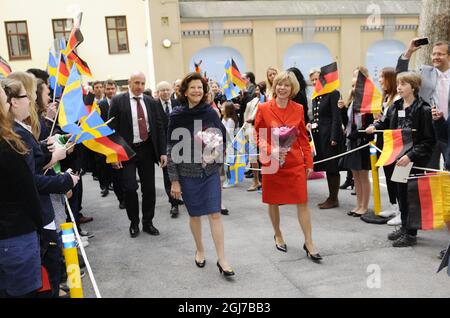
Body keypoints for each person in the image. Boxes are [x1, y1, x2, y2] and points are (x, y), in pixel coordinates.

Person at [167, 72, 235, 276]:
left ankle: (222, 259)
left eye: (200, 87)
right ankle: (200, 249)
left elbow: (223, 138)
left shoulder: (211, 113)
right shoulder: (177, 115)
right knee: (195, 215)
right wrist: (175, 181)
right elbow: (171, 149)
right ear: (185, 92)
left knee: (215, 214)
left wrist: (213, 149)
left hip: (210, 171)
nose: (197, 91)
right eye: (193, 87)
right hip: (187, 174)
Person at [254, 71, 322, 262]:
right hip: (272, 162)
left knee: (302, 201)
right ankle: (278, 234)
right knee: (273, 201)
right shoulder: (264, 108)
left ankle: (309, 242)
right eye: (279, 84)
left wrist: (308, 162)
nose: (282, 88)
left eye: (287, 85)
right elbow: (258, 135)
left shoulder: (299, 108)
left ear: (293, 89)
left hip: (294, 162)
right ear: (274, 87)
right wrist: (270, 150)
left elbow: (302, 137)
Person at [366, 71, 436, 247]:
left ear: (413, 87)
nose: (399, 87)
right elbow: (385, 124)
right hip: (397, 156)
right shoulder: (396, 106)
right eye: (398, 83)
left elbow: (428, 141)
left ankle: (411, 234)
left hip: (413, 158)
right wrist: (374, 127)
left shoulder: (423, 109)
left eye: (403, 84)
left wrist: (410, 155)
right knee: (401, 194)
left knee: (411, 196)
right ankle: (405, 227)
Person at [109, 72, 167, 238]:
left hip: (147, 150)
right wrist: (114, 155)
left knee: (149, 189)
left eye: (142, 83)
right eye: (136, 83)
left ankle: (148, 222)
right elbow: (111, 130)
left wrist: (162, 152)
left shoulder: (150, 101)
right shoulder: (118, 101)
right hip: (126, 151)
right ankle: (134, 222)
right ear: (129, 82)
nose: (140, 86)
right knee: (129, 188)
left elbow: (158, 127)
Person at [0, 83, 43, 298]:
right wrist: (41, 226)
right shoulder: (8, 144)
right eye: (5, 100)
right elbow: (28, 191)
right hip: (15, 236)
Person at [396, 39, 450, 169]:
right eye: (434, 54)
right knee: (430, 172)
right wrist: (409, 52)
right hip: (429, 131)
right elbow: (401, 74)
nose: (436, 57)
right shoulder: (424, 72)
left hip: (448, 129)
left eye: (440, 54)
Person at [339, 67, 374, 217]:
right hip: (351, 141)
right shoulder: (352, 101)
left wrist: (358, 133)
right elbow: (347, 121)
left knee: (363, 175)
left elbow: (370, 123)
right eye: (352, 85)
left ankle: (364, 206)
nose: (354, 87)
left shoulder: (369, 100)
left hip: (363, 142)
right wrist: (341, 110)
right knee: (355, 175)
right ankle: (358, 204)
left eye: (357, 84)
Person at [309, 70, 343, 209]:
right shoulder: (316, 95)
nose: (314, 82)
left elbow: (336, 116)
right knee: (327, 166)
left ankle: (333, 198)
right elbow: (316, 116)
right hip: (319, 135)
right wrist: (310, 122)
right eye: (312, 80)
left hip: (329, 135)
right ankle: (331, 196)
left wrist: (334, 136)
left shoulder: (333, 93)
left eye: (316, 79)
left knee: (332, 167)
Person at [155, 81, 183, 218]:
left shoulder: (178, 104)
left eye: (167, 90)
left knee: (182, 173)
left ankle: (180, 196)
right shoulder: (154, 106)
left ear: (171, 91)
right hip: (164, 147)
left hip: (180, 145)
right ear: (158, 92)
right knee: (168, 176)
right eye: (162, 90)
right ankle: (174, 204)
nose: (165, 92)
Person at [377, 67, 401, 223]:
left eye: (382, 77)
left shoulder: (398, 99)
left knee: (397, 176)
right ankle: (393, 205)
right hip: (384, 141)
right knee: (388, 175)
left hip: (395, 142)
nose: (379, 80)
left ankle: (401, 210)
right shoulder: (386, 97)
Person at [244, 82, 266, 191]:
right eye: (256, 89)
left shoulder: (266, 101)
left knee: (263, 157)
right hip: (251, 131)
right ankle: (256, 181)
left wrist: (254, 120)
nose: (257, 92)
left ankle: (263, 181)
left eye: (259, 89)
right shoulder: (253, 102)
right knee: (253, 157)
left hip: (262, 132)